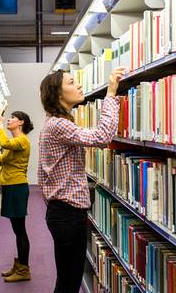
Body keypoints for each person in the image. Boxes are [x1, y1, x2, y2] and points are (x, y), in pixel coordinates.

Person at [38, 67, 125, 293]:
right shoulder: (59, 125)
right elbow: (102, 137)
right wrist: (111, 94)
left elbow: (41, 173)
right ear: (58, 94)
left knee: (67, 280)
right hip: (67, 215)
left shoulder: (53, 123)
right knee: (69, 283)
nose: (78, 85)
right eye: (71, 82)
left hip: (62, 212)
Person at [0, 111, 34, 283]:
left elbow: (5, 142)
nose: (9, 119)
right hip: (10, 186)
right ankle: (19, 265)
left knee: (20, 230)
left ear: (21, 122)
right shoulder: (13, 143)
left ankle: (23, 270)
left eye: (12, 118)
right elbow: (0, 161)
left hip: (17, 187)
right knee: (17, 229)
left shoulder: (21, 141)